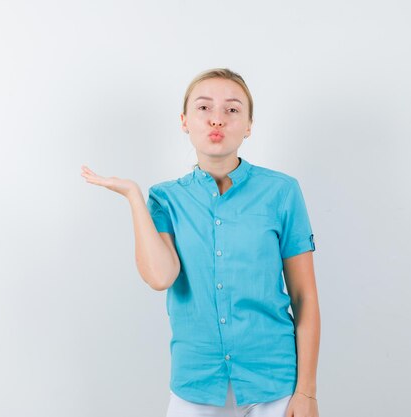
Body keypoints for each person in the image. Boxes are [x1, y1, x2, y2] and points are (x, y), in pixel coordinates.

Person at [81, 68, 320, 417]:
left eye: (233, 110)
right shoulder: (165, 198)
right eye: (204, 108)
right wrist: (134, 196)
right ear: (184, 121)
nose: (217, 120)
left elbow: (305, 297)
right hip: (196, 385)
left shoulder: (282, 192)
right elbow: (160, 277)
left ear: (249, 125)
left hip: (274, 386)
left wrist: (307, 393)